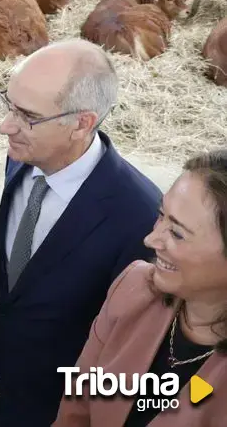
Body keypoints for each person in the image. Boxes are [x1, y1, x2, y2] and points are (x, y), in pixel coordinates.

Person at [0, 39, 161, 426]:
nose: (5, 126)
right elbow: (13, 246)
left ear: (81, 123)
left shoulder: (140, 217)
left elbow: (134, 345)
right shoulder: (23, 163)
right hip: (11, 382)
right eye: (8, 104)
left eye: (27, 115)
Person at [54, 149, 227, 425]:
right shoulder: (133, 288)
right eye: (162, 215)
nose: (151, 239)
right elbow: (76, 411)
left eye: (177, 233)